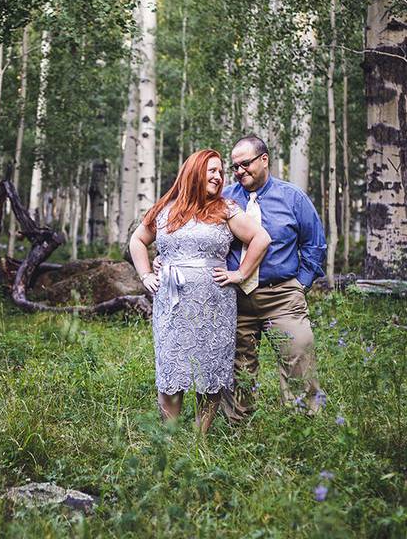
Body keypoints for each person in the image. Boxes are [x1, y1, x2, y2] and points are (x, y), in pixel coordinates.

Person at [130, 149, 270, 433]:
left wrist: (240, 274)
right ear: (194, 171)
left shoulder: (225, 209)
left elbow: (261, 237)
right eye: (213, 170)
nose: (219, 177)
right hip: (172, 303)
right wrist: (145, 274)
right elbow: (137, 240)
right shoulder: (164, 209)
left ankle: (199, 440)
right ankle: (168, 437)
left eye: (221, 172)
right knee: (172, 367)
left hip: (214, 303)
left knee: (211, 369)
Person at [221, 135, 327, 422]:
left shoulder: (293, 197)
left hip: (281, 296)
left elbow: (315, 244)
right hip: (235, 298)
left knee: (298, 360)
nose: (240, 171)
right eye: (235, 167)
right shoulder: (224, 199)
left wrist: (300, 285)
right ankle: (237, 430)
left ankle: (303, 427)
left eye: (245, 164)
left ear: (264, 159)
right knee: (238, 369)